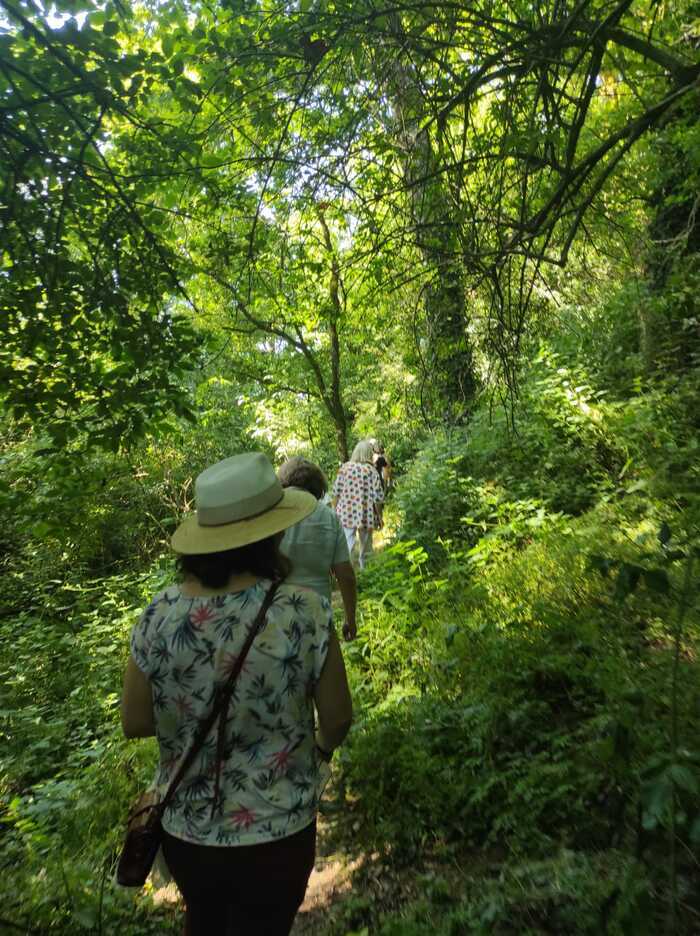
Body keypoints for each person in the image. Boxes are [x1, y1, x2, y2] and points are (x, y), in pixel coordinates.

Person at [121, 452, 352, 936]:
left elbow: (136, 721)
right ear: (271, 534)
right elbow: (336, 718)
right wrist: (320, 753)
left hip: (187, 830)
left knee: (204, 922)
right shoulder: (304, 611)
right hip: (281, 829)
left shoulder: (158, 615)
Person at [278, 456, 358, 641]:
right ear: (317, 485)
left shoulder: (270, 512)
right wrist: (350, 619)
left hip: (275, 615)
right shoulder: (329, 516)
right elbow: (346, 576)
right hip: (318, 618)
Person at [332, 439, 384, 570]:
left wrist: (333, 511)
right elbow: (377, 498)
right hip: (365, 513)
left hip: (345, 513)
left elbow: (336, 492)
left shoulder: (344, 468)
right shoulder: (371, 471)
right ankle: (366, 573)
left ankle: (344, 573)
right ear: (368, 454)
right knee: (366, 548)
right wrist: (380, 516)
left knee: (347, 545)